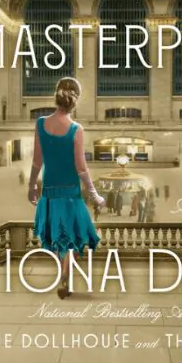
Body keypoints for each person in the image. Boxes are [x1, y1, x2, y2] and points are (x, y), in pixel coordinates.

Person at [27, 76, 105, 298]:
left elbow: (36, 161)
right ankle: (65, 277)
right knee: (70, 239)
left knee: (60, 239)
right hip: (71, 193)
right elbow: (81, 168)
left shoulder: (40, 123)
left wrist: (32, 186)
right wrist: (94, 194)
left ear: (56, 97)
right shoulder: (76, 129)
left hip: (50, 192)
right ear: (75, 101)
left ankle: (64, 275)